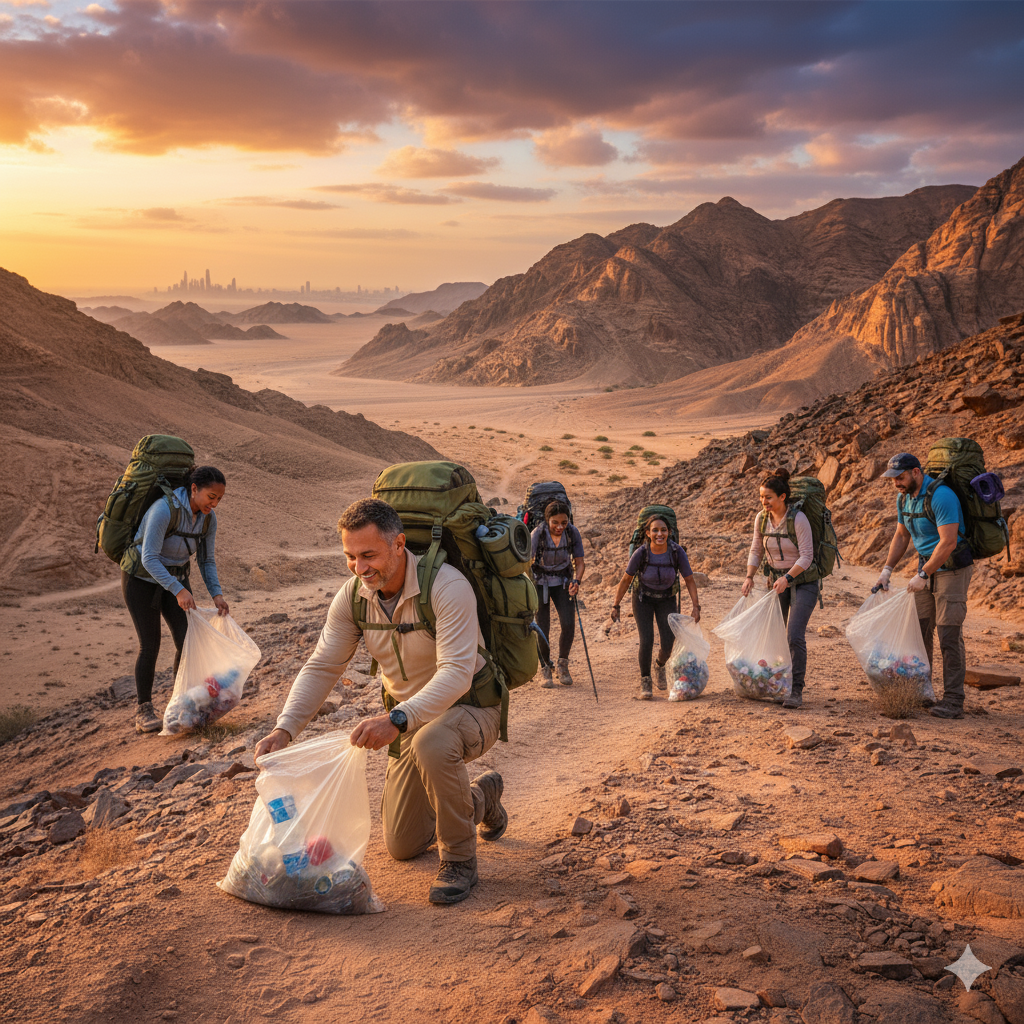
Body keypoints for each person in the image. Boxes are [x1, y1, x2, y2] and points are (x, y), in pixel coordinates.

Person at [254, 498, 507, 906]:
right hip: (408, 718)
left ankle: (460, 860)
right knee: (403, 845)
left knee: (432, 743)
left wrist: (398, 718)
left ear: (399, 544)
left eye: (368, 555)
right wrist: (285, 728)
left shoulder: (447, 587)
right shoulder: (354, 597)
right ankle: (481, 798)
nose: (359, 567)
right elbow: (322, 666)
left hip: (471, 707)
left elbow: (457, 673)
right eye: (350, 557)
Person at [121, 466, 228, 734]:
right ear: (194, 489)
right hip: (141, 580)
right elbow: (149, 558)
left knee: (186, 641)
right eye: (210, 497)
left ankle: (180, 703)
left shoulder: (207, 519)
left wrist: (217, 594)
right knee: (150, 644)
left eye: (219, 499)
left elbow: (206, 560)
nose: (214, 504)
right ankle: (143, 710)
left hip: (176, 579)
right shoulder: (163, 510)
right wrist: (177, 589)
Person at [875, 452, 973, 720]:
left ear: (916, 472)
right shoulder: (903, 497)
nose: (896, 483)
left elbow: (948, 542)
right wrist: (887, 570)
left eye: (900, 477)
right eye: (893, 479)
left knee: (949, 635)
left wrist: (925, 574)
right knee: (919, 632)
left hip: (951, 569)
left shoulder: (942, 497)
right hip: (926, 569)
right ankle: (922, 690)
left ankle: (954, 700)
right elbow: (901, 534)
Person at [741, 468, 817, 710]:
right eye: (762, 497)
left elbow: (807, 556)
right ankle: (776, 684)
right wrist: (749, 576)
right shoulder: (761, 519)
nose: (764, 502)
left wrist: (787, 577)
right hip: (775, 583)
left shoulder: (799, 519)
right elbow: (756, 549)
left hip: (802, 582)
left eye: (769, 497)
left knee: (794, 635)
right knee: (773, 634)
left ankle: (795, 691)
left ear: (782, 497)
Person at [610, 514, 699, 700]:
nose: (660, 534)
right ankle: (645, 680)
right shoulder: (641, 553)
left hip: (667, 599)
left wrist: (696, 606)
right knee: (647, 639)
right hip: (643, 599)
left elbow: (689, 579)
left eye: (663, 530)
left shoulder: (676, 552)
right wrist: (616, 604)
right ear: (648, 533)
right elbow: (626, 579)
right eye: (655, 530)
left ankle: (659, 665)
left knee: (668, 642)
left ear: (670, 532)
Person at [531, 500, 585, 688]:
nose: (560, 527)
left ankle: (563, 664)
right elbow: (527, 562)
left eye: (564, 522)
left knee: (568, 623)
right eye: (555, 522)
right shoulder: (538, 533)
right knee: (542, 627)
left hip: (563, 582)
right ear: (547, 520)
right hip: (540, 583)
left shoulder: (572, 532)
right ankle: (545, 667)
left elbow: (579, 562)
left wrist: (576, 581)